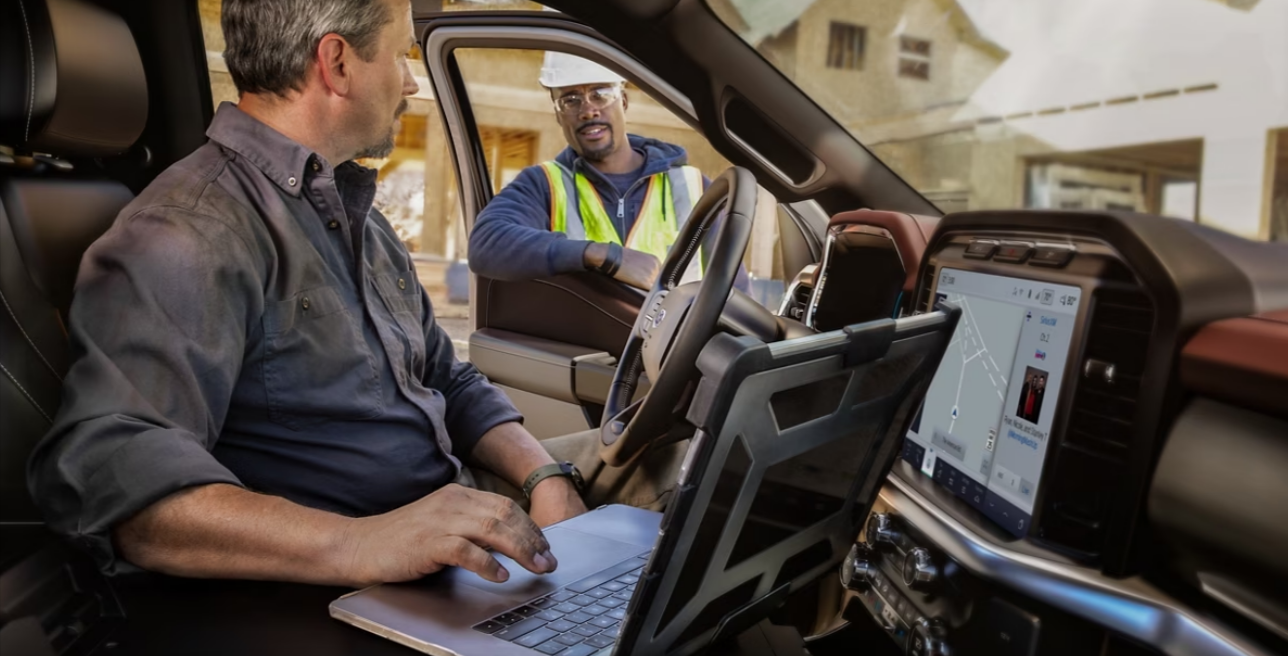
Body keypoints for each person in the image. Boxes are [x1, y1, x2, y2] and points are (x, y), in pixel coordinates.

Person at [27, 0, 680, 589]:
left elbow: (446, 377)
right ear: (337, 63)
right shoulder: (188, 232)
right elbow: (115, 476)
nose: (412, 82)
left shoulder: (356, 215)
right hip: (361, 561)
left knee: (680, 457)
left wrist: (543, 478)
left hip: (451, 505)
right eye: (401, 55)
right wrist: (363, 543)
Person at [469, 52, 714, 290]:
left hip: (677, 321)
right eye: (570, 100)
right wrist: (601, 255)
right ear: (558, 116)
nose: (588, 111)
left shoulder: (694, 188)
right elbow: (486, 244)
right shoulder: (543, 185)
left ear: (624, 101)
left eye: (600, 94)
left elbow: (729, 287)